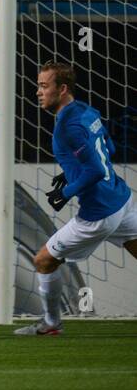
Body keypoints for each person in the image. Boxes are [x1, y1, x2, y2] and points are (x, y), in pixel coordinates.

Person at [16, 62, 137, 335]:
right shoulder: (87, 110)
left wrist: (65, 192)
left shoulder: (66, 128)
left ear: (62, 89)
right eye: (38, 85)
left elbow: (93, 169)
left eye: (44, 86)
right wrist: (70, 175)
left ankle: (51, 323)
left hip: (99, 213)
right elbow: (110, 147)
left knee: (43, 260)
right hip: (121, 199)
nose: (38, 92)